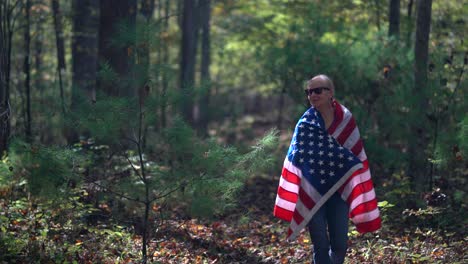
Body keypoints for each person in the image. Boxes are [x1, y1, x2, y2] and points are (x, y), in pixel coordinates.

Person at [273, 74, 381, 264]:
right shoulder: (305, 124)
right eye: (309, 92)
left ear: (330, 92)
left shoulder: (346, 119)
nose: (312, 95)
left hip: (339, 191)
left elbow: (355, 154)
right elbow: (296, 156)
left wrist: (344, 161)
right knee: (320, 245)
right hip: (312, 190)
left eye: (317, 90)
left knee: (340, 244)